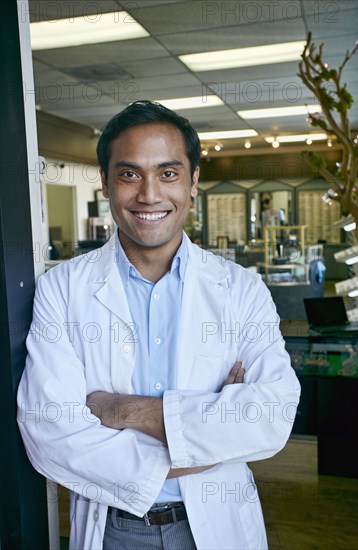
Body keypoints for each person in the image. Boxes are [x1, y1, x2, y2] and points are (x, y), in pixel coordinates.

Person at [17, 100, 300, 550]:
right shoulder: (62, 290)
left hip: (218, 522)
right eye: (129, 174)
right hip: (112, 528)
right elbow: (49, 432)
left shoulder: (240, 289)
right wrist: (207, 438)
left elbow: (270, 416)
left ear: (193, 182)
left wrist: (122, 411)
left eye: (168, 173)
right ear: (107, 184)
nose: (149, 194)